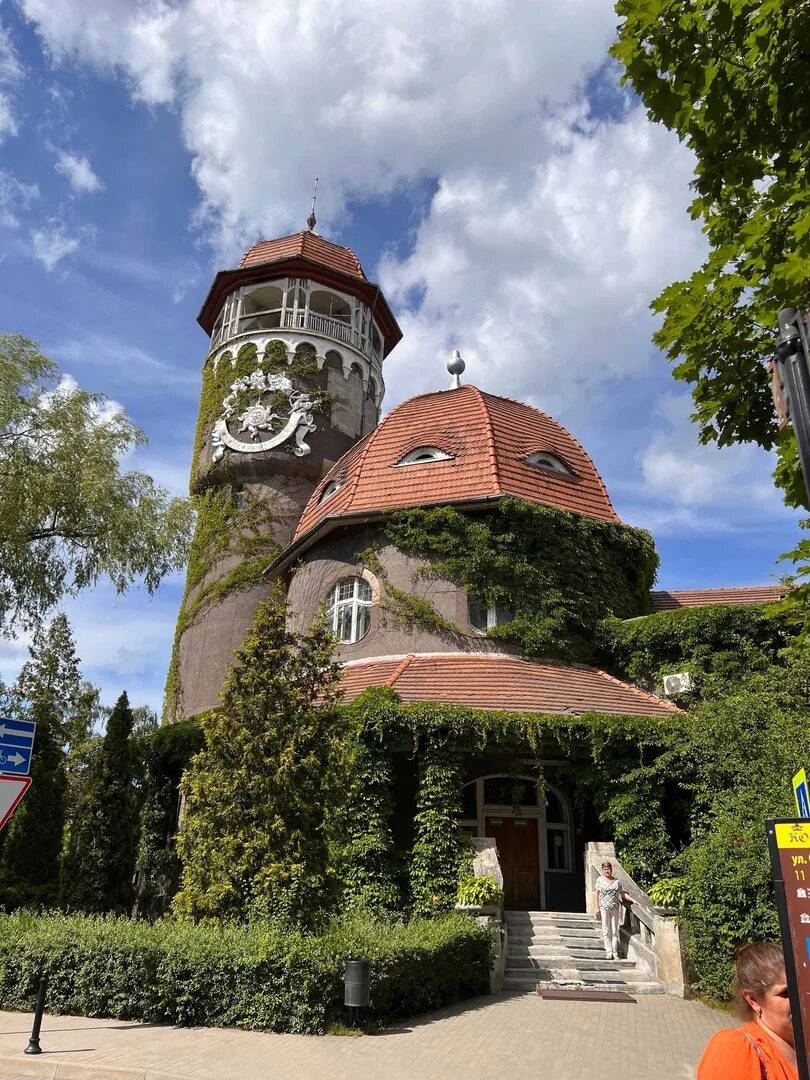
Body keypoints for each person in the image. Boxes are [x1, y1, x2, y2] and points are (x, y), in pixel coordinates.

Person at [697, 941, 799, 1080]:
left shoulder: (802, 1043)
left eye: (804, 989)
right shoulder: (734, 1050)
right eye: (786, 993)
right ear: (754, 1000)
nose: (800, 1000)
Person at [593, 859, 623, 960]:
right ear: (602, 870)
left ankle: (615, 952)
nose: (607, 871)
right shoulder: (599, 880)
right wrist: (596, 908)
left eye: (608, 869)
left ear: (611, 870)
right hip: (604, 908)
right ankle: (608, 951)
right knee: (606, 930)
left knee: (615, 930)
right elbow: (596, 893)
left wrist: (633, 900)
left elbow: (622, 894)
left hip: (614, 907)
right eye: (605, 869)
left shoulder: (617, 882)